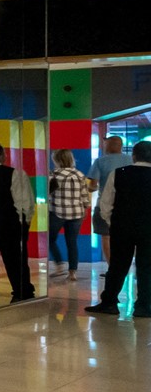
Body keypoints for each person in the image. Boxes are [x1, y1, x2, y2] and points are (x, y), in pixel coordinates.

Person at [89, 139, 151, 317]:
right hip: (148, 228)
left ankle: (109, 303)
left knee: (118, 265)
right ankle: (144, 306)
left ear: (133, 156)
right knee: (146, 266)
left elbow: (105, 203)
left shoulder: (118, 173)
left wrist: (112, 221)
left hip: (122, 226)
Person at [0, 144, 35, 303]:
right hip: (9, 224)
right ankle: (22, 291)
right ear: (1, 156)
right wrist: (25, 223)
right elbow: (24, 203)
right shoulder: (14, 174)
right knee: (15, 260)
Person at [46, 148, 92, 280]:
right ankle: (72, 272)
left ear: (56, 160)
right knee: (72, 242)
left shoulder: (53, 175)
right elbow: (84, 195)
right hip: (77, 213)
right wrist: (85, 209)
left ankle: (59, 265)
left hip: (57, 212)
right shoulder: (79, 174)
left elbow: (47, 192)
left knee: (50, 239)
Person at [91, 135, 128, 266]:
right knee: (126, 237)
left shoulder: (100, 161)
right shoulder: (131, 160)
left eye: (105, 144)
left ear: (110, 145)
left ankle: (112, 267)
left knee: (106, 236)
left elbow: (92, 184)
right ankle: (124, 264)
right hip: (127, 206)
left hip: (104, 204)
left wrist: (91, 188)